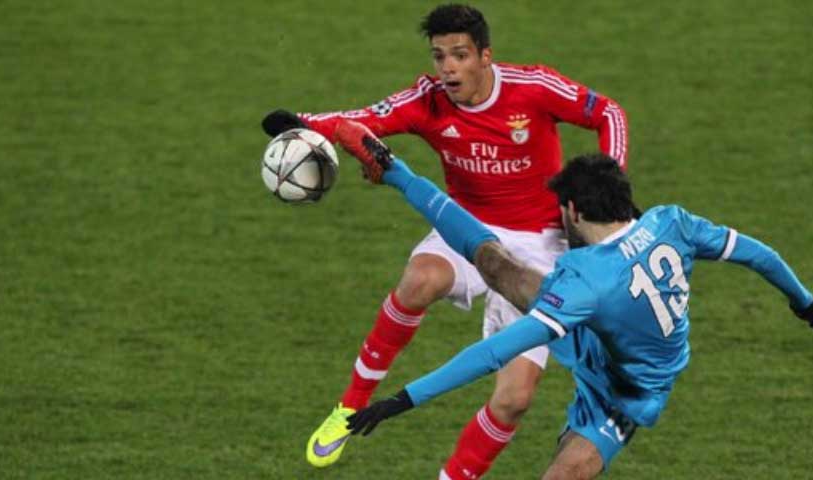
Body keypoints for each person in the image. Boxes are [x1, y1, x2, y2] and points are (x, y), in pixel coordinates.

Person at [261, 5, 628, 476]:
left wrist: (609, 178)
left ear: (485, 56)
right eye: (440, 57)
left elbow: (610, 114)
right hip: (465, 229)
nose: (449, 67)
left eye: (459, 55)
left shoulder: (533, 88)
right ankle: (348, 409)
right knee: (420, 279)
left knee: (513, 400)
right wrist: (303, 123)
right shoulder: (427, 100)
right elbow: (364, 121)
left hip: (541, 246)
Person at [336, 138, 813, 479]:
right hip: (604, 332)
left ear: (572, 211)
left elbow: (493, 354)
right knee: (498, 267)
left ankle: (400, 174)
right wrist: (805, 303)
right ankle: (398, 173)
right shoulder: (672, 222)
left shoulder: (583, 282)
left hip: (626, 396)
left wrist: (402, 399)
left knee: (563, 473)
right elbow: (758, 254)